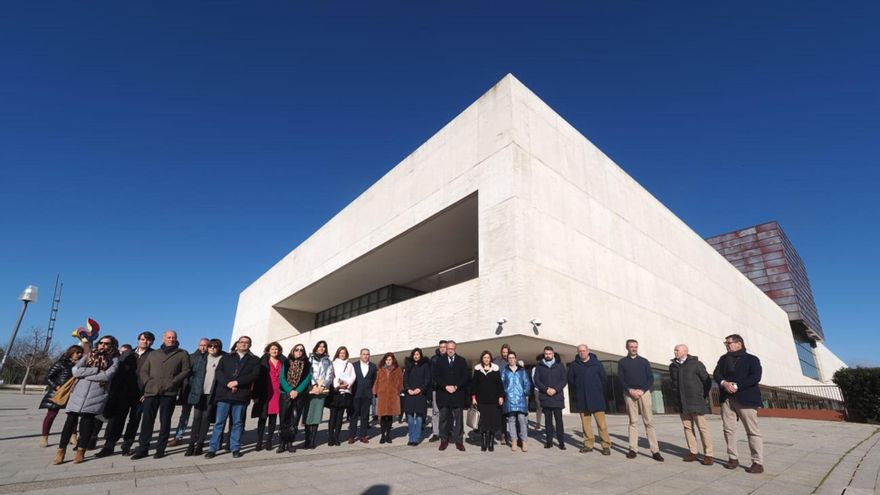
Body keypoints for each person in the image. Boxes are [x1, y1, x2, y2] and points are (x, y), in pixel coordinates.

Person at [55, 336, 120, 465]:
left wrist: (86, 376)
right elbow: (76, 371)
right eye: (101, 342)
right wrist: (95, 370)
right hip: (79, 392)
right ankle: (61, 451)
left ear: (113, 345)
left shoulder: (115, 359)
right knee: (69, 422)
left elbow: (107, 376)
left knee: (87, 424)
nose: (102, 345)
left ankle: (81, 451)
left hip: (97, 394)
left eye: (106, 344)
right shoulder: (89, 355)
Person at [131, 330, 191, 459]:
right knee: (147, 421)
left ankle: (160, 449)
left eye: (173, 337)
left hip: (169, 392)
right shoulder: (153, 354)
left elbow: (186, 370)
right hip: (151, 392)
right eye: (169, 337)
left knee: (165, 422)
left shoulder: (182, 353)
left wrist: (173, 382)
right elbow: (143, 371)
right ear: (163, 338)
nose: (171, 339)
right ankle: (143, 449)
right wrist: (148, 382)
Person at [97, 331, 154, 456]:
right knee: (117, 420)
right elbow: (117, 372)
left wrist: (148, 391)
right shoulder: (128, 354)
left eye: (148, 340)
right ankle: (109, 446)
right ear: (138, 340)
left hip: (140, 394)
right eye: (143, 339)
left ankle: (127, 445)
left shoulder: (153, 355)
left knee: (134, 421)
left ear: (152, 342)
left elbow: (154, 376)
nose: (145, 342)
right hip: (123, 392)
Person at [713, 334, 764, 473]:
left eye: (729, 342)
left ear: (739, 344)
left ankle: (757, 462)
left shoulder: (752, 359)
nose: (727, 345)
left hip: (746, 398)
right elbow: (716, 373)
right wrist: (724, 383)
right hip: (727, 399)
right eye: (726, 343)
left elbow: (755, 377)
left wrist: (736, 385)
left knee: (752, 431)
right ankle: (733, 458)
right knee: (728, 429)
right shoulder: (723, 359)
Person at [205, 336, 260, 458]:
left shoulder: (255, 359)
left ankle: (235, 447)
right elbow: (219, 372)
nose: (244, 344)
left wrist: (237, 383)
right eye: (242, 342)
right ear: (237, 344)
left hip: (241, 396)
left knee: (238, 423)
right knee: (219, 423)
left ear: (250, 345)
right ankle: (213, 448)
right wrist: (228, 383)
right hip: (224, 394)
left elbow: (254, 375)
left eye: (247, 343)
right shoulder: (226, 357)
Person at [618, 339, 663, 461]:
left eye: (636, 347)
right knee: (633, 422)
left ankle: (655, 451)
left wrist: (642, 390)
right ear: (627, 347)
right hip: (629, 393)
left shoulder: (644, 362)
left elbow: (650, 378)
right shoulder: (622, 362)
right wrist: (630, 390)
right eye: (631, 347)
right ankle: (633, 449)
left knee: (649, 422)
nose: (634, 349)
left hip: (644, 393)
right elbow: (621, 379)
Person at [669, 344, 713, 465]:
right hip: (682, 403)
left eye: (677, 350)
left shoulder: (696, 364)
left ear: (685, 351)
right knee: (687, 427)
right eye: (675, 350)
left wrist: (700, 395)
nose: (675, 351)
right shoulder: (672, 366)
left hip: (696, 401)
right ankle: (693, 452)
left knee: (702, 428)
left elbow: (707, 381)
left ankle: (709, 454)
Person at [567, 344, 611, 456]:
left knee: (602, 425)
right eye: (580, 351)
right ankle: (588, 444)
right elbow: (571, 380)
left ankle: (605, 446)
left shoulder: (597, 364)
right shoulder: (574, 365)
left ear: (588, 351)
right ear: (578, 352)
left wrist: (598, 389)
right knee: (586, 424)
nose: (582, 353)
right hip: (582, 398)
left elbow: (604, 379)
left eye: (584, 351)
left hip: (597, 398)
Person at [39, 345, 83, 448]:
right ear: (71, 353)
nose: (79, 355)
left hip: (73, 393)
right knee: (51, 415)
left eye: (81, 353)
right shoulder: (61, 363)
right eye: (77, 352)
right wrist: (57, 387)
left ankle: (73, 436)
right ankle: (44, 437)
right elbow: (48, 377)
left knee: (73, 416)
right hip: (58, 393)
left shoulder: (81, 366)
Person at [185, 338, 224, 456]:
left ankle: (200, 444)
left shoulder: (222, 359)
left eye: (215, 346)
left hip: (211, 394)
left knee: (206, 418)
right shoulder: (202, 359)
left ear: (219, 347)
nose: (212, 348)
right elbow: (193, 374)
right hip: (199, 393)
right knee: (196, 418)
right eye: (210, 346)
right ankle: (191, 443)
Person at [171, 338, 209, 447]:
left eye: (205, 345)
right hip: (189, 390)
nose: (203, 347)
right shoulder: (191, 357)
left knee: (199, 417)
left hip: (202, 391)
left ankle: (196, 436)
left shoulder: (210, 358)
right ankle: (178, 436)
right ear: (198, 345)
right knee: (184, 415)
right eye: (201, 345)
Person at [434, 340, 469, 451]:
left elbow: (465, 377)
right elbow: (436, 376)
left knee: (458, 419)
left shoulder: (462, 361)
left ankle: (459, 441)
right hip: (444, 394)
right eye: (448, 348)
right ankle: (444, 440)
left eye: (452, 349)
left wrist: (456, 386)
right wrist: (445, 386)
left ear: (455, 348)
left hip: (457, 395)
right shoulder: (439, 361)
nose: (450, 350)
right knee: (443, 419)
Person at [252, 341, 287, 451]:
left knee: (273, 418)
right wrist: (255, 394)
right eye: (272, 349)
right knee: (262, 418)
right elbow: (256, 378)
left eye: (276, 349)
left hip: (278, 392)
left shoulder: (283, 361)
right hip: (265, 392)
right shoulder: (263, 361)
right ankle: (259, 441)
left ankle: (269, 441)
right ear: (268, 350)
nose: (274, 351)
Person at [278, 343, 311, 453]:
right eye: (297, 349)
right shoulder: (286, 362)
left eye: (301, 350)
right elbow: (282, 378)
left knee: (294, 420)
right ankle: (282, 443)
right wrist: (290, 390)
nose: (299, 351)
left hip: (299, 395)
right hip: (285, 394)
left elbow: (307, 379)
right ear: (293, 351)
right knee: (284, 420)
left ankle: (290, 443)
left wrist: (297, 391)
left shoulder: (307, 364)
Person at [302, 340, 333, 449]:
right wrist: (314, 385)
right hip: (310, 390)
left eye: (324, 347)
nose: (321, 348)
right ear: (316, 348)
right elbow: (308, 372)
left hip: (321, 391)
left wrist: (323, 386)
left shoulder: (328, 361)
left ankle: (313, 441)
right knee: (307, 414)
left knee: (316, 415)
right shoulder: (309, 359)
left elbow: (330, 374)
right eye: (320, 346)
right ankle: (307, 439)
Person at [534, 346, 567, 450]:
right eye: (546, 354)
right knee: (548, 421)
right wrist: (546, 389)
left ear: (553, 354)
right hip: (545, 397)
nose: (548, 355)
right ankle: (549, 441)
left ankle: (561, 442)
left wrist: (555, 390)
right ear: (544, 354)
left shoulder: (560, 365)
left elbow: (564, 380)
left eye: (549, 353)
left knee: (559, 421)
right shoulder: (539, 366)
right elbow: (537, 380)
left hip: (557, 397)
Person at [471, 351, 504, 452]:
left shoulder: (495, 369)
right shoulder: (477, 370)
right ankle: (484, 443)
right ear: (482, 359)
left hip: (493, 401)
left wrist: (501, 396)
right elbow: (473, 385)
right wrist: (473, 397)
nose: (486, 359)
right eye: (485, 358)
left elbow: (499, 385)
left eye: (488, 358)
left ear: (490, 359)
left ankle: (491, 443)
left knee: (492, 422)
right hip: (481, 401)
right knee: (483, 422)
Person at [500, 350, 530, 452]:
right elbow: (501, 384)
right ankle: (514, 441)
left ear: (516, 359)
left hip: (520, 398)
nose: (511, 360)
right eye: (509, 358)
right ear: (508, 360)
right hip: (510, 399)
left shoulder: (522, 371)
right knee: (511, 420)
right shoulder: (505, 371)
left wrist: (524, 393)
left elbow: (527, 383)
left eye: (513, 358)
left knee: (522, 419)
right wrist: (504, 394)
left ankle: (524, 441)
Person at [373, 352, 403, 444]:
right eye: (387, 360)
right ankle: (382, 435)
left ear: (393, 360)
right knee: (382, 416)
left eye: (390, 359)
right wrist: (375, 391)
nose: (388, 361)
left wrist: (398, 390)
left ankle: (388, 435)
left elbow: (400, 381)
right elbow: (377, 381)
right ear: (384, 360)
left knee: (389, 416)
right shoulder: (380, 369)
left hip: (392, 396)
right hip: (382, 395)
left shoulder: (397, 369)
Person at [403, 348, 431, 446]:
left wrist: (420, 389)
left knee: (419, 417)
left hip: (420, 395)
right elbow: (405, 380)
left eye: (418, 354)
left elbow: (427, 380)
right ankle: (411, 437)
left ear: (420, 355)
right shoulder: (408, 366)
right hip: (409, 394)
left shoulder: (425, 365)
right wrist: (408, 389)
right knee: (410, 418)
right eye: (414, 354)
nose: (416, 356)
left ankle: (416, 438)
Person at [349, 348, 377, 444]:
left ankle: (363, 436)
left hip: (367, 394)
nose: (365, 356)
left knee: (365, 416)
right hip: (356, 394)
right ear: (360, 355)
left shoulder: (373, 366)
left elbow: (373, 380)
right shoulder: (354, 365)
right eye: (364, 354)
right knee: (354, 416)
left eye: (367, 354)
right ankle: (352, 436)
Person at [328, 346, 354, 446]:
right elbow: (331, 375)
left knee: (340, 417)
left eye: (344, 353)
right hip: (335, 392)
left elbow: (353, 376)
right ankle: (330, 437)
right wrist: (337, 385)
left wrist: (347, 384)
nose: (342, 354)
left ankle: (336, 437)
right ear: (338, 353)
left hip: (345, 392)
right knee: (333, 416)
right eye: (340, 353)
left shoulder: (349, 365)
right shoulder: (333, 363)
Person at [428, 340, 448, 442]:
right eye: (441, 347)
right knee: (435, 411)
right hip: (436, 389)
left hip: (448, 390)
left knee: (447, 411)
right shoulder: (434, 359)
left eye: (444, 346)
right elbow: (431, 375)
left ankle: (447, 431)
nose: (443, 348)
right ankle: (436, 433)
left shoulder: (450, 358)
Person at [491, 344, 511, 444]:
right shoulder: (496, 361)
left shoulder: (511, 361)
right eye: (503, 352)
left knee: (509, 415)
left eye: (506, 352)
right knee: (500, 414)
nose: (505, 354)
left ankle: (511, 435)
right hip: (498, 391)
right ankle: (501, 434)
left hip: (510, 392)